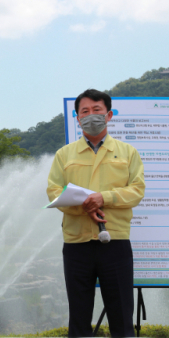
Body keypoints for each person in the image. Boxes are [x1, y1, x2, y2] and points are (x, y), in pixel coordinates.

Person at [47, 89, 145, 337]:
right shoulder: (64, 154)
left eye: (97, 110)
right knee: (79, 316)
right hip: (76, 243)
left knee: (122, 315)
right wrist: (83, 205)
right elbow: (53, 191)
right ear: (77, 118)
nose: (91, 116)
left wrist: (105, 197)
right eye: (85, 112)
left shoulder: (127, 152)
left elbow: (137, 190)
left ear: (109, 115)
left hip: (116, 241)